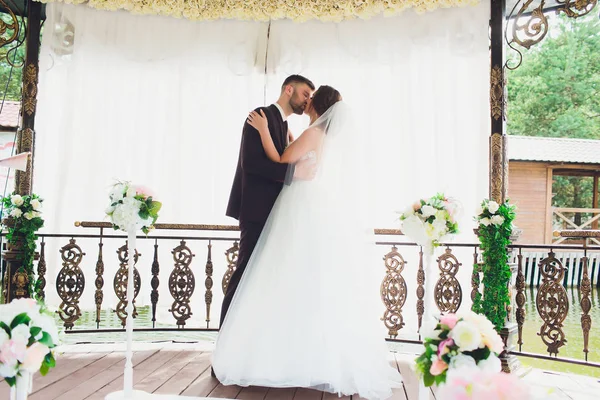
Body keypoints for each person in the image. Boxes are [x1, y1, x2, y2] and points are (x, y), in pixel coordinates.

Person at [213, 85, 402, 399]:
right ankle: (304, 353)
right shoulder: (321, 135)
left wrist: (262, 131)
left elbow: (279, 158)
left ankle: (268, 352)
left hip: (296, 203)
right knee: (303, 279)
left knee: (277, 273)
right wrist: (288, 139)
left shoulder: (312, 133)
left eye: (310, 98)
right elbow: (295, 152)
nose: (306, 101)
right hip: (310, 203)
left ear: (318, 106)